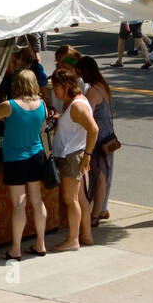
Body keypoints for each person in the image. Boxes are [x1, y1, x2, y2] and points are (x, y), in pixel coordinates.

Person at [0, 70, 48, 259]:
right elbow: (43, 128)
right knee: (37, 202)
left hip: (15, 158)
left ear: (16, 85)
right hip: (36, 156)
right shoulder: (42, 104)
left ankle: (16, 249)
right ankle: (41, 243)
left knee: (19, 205)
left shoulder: (9, 105)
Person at [50, 67, 98, 252]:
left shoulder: (77, 105)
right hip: (74, 153)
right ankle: (85, 236)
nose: (54, 91)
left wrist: (87, 155)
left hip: (72, 155)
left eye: (56, 87)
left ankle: (72, 240)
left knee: (70, 199)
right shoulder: (76, 102)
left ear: (67, 85)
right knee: (79, 198)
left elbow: (93, 129)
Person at [78, 56, 116, 224]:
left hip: (98, 139)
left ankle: (95, 213)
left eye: (80, 72)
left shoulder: (93, 91)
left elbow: (88, 114)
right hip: (108, 136)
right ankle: (101, 209)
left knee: (98, 175)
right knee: (105, 174)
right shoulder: (103, 86)